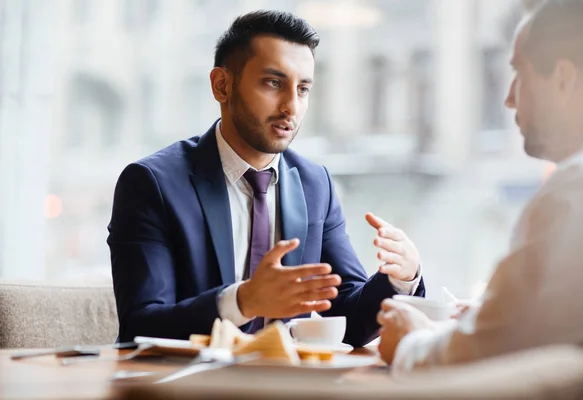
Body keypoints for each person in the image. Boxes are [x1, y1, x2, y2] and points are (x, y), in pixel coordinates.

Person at [108, 10, 425, 346]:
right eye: (274, 83)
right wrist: (243, 302)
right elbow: (139, 327)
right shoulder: (152, 184)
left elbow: (349, 318)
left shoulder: (315, 185)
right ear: (222, 85)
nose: (292, 106)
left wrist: (401, 277)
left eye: (303, 89)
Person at [377, 0, 583, 371]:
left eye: (519, 73)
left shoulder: (581, 187)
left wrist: (411, 342)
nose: (509, 97)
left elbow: (501, 354)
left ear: (563, 79)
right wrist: (491, 315)